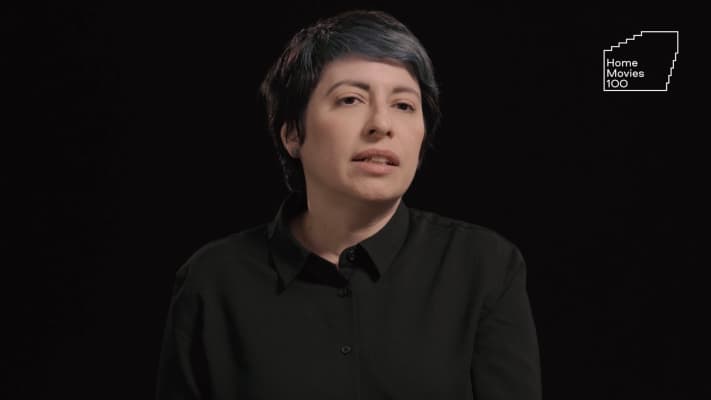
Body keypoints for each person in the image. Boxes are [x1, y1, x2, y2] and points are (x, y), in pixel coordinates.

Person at [156, 9, 541, 400]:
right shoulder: (213, 281)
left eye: (404, 105)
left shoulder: (484, 266)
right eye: (351, 99)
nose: (381, 125)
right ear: (293, 134)